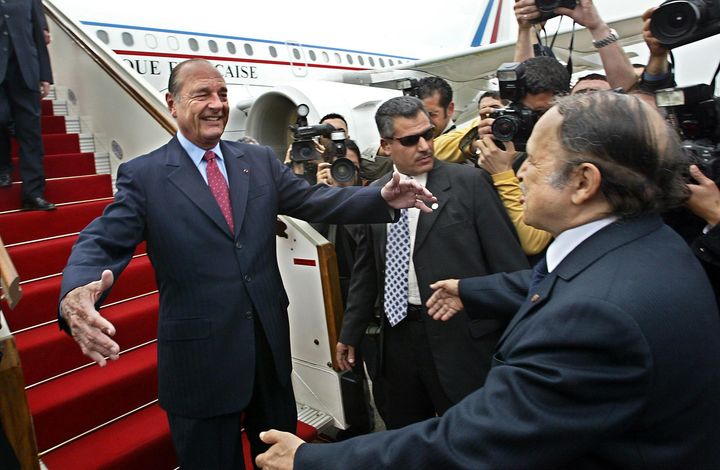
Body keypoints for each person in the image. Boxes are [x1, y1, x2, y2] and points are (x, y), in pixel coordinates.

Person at [256, 92, 720, 469]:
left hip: (458, 347)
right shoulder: (651, 248)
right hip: (400, 341)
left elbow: (469, 442)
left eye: (533, 161)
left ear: (583, 182)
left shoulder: (598, 317)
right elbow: (550, 281)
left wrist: (315, 459)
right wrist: (466, 289)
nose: (517, 171)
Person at [57, 59, 436, 469]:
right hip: (200, 363)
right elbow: (102, 238)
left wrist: (380, 199)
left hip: (267, 352)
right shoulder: (144, 175)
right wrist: (76, 289)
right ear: (171, 103)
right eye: (202, 94)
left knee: (278, 460)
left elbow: (316, 201)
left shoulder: (258, 163)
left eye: (222, 93)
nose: (217, 104)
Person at [335, 96, 528, 430]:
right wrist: (349, 332)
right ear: (385, 146)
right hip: (397, 343)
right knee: (407, 440)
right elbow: (366, 272)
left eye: (429, 134)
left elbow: (509, 266)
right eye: (411, 140)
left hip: (463, 341)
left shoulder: (470, 184)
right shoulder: (374, 196)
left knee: (475, 438)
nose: (425, 146)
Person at [0, 0, 55, 210]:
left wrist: (44, 75)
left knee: (30, 135)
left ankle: (33, 193)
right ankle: (3, 167)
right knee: (2, 119)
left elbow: (38, 38)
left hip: (26, 71)